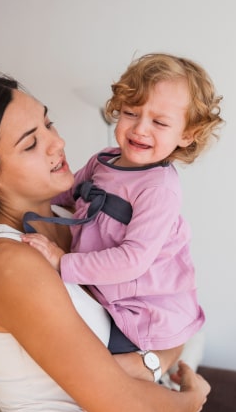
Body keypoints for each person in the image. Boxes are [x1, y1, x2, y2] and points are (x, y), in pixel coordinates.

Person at [0, 72, 210, 412]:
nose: (57, 142)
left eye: (48, 123)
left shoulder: (79, 224)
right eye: (31, 144)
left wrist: (153, 361)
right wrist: (193, 399)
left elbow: (166, 300)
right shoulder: (10, 262)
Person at [22, 53, 223, 356]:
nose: (140, 129)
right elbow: (66, 194)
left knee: (106, 377)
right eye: (131, 113)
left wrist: (62, 262)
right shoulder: (103, 160)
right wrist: (25, 197)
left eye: (159, 122)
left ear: (186, 135)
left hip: (142, 308)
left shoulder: (159, 189)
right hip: (102, 290)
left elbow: (132, 260)